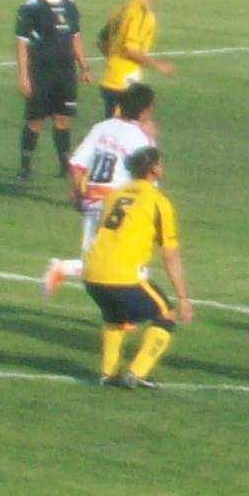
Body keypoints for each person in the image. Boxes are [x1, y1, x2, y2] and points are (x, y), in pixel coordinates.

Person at [83, 148, 190, 389]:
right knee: (166, 315)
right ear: (154, 169)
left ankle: (107, 373)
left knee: (114, 316)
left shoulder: (114, 195)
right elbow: (170, 254)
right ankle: (136, 373)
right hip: (122, 276)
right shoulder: (158, 201)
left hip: (91, 273)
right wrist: (183, 297)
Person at [42, 83, 156, 297]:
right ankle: (64, 269)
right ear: (144, 111)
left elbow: (76, 164)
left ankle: (64, 270)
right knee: (115, 261)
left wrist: (77, 192)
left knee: (95, 259)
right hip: (119, 204)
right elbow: (148, 178)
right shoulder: (141, 138)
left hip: (92, 199)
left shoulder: (101, 127)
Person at [14, 0, 87, 181]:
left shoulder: (69, 4)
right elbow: (21, 43)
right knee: (35, 120)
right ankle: (25, 167)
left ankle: (64, 165)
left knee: (63, 118)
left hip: (65, 72)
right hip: (40, 73)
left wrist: (84, 66)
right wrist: (23, 76)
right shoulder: (32, 7)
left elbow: (75, 37)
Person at [98, 0, 170, 115]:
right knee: (124, 126)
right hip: (124, 83)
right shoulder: (141, 12)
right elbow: (130, 49)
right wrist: (157, 65)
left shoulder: (121, 9)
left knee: (115, 125)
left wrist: (113, 61)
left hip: (111, 78)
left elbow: (102, 41)